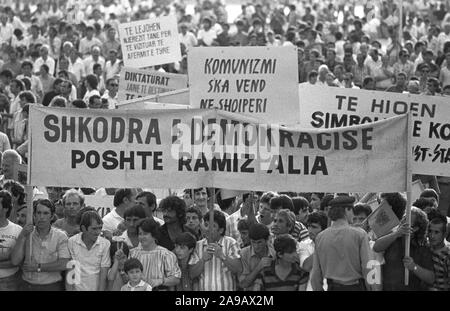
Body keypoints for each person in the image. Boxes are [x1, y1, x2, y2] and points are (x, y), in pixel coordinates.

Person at [311, 196, 371, 291]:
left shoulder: (320, 237)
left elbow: (315, 274)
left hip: (332, 287)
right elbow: (368, 268)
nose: (353, 214)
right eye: (352, 210)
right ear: (347, 210)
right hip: (356, 287)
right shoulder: (360, 234)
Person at [11, 199, 70, 291]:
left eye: (46, 213)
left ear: (52, 216)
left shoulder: (60, 236)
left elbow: (64, 264)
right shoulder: (27, 234)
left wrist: (38, 267)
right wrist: (22, 236)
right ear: (34, 215)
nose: (41, 217)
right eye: (39, 213)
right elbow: (15, 261)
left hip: (52, 286)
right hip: (27, 286)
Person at [373, 203, 435, 291]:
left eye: (407, 220)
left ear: (416, 228)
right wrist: (396, 234)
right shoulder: (393, 237)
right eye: (403, 218)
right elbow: (376, 247)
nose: (402, 222)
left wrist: (414, 267)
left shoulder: (423, 246)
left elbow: (431, 278)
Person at [189, 210, 242, 291]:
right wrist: (203, 260)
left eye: (213, 226)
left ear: (221, 230)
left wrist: (222, 256)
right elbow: (192, 274)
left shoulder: (231, 243)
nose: (207, 229)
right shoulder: (198, 245)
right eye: (206, 225)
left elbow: (238, 269)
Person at [129, 218, 181, 290]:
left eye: (145, 234)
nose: (142, 237)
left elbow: (176, 279)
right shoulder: (132, 253)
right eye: (140, 234)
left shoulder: (166, 255)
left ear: (154, 235)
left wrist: (160, 281)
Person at [67, 211, 111, 291]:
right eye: (94, 229)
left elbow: (103, 273)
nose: (98, 232)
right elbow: (70, 271)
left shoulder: (105, 244)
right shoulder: (72, 242)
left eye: (100, 228)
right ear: (83, 228)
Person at [239, 223, 275, 291]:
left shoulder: (274, 253)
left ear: (266, 240)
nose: (256, 246)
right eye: (253, 242)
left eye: (259, 242)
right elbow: (243, 284)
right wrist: (259, 267)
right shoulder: (244, 253)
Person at [0, 190, 22, 290]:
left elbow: (17, 261)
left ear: (6, 208)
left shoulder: (17, 230)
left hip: (10, 281)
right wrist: (8, 255)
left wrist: (12, 258)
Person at [427, 215, 450, 291]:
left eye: (436, 232)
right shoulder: (427, 246)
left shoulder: (447, 254)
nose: (432, 236)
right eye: (430, 231)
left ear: (445, 234)